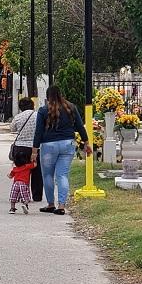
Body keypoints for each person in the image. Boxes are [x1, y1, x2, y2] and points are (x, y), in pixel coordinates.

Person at [32, 86, 91, 215]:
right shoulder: (71, 108)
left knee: (48, 175)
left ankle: (51, 204)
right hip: (67, 144)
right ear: (61, 94)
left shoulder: (43, 110)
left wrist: (34, 151)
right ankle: (62, 205)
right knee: (62, 175)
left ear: (47, 97)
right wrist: (86, 143)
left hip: (48, 146)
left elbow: (38, 132)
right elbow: (80, 127)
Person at [10, 97, 43, 202]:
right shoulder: (38, 115)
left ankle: (19, 194)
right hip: (35, 147)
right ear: (33, 105)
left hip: (20, 147)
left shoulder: (18, 117)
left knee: (21, 170)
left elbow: (12, 129)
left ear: (20, 108)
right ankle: (37, 196)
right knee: (37, 172)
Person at [8, 149, 36, 215]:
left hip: (16, 184)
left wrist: (8, 175)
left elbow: (10, 176)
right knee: (25, 195)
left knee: (14, 196)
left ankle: (12, 208)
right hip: (24, 183)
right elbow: (35, 165)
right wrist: (33, 159)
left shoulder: (15, 169)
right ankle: (25, 204)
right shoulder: (27, 166)